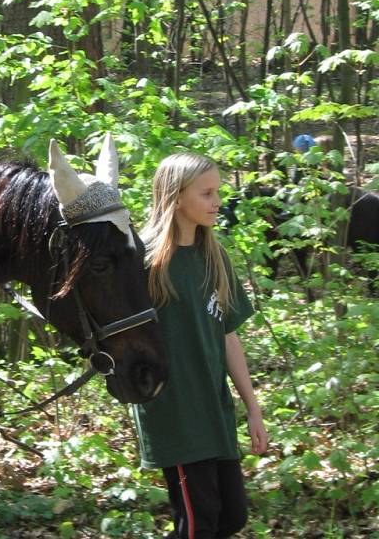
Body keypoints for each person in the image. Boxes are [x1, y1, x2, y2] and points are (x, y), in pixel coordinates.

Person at [133, 153, 269, 538]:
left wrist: (252, 409)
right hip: (174, 413)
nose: (218, 202)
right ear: (176, 197)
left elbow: (229, 337)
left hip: (214, 408)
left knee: (231, 517)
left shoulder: (214, 257)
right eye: (207, 193)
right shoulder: (145, 262)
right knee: (198, 522)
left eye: (218, 192)